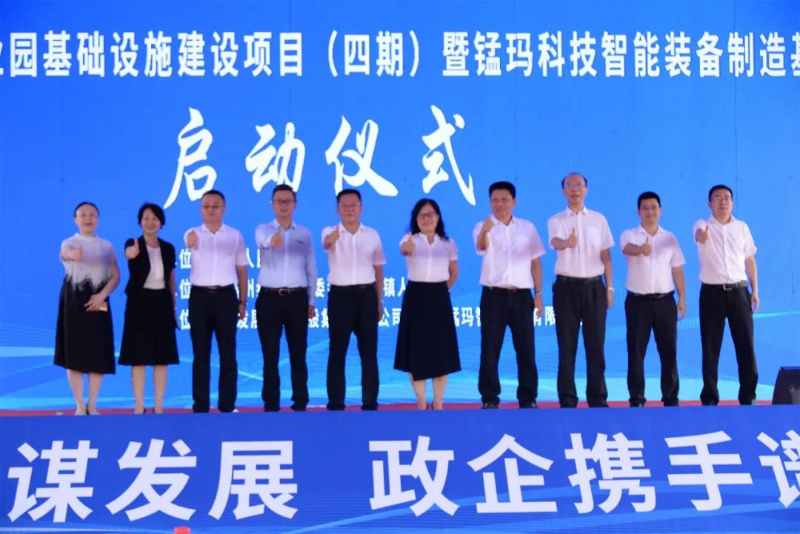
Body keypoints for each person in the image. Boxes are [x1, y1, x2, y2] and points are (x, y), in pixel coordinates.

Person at [473, 181, 545, 409]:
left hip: (521, 296)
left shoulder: (527, 227)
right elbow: (481, 247)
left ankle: (528, 397)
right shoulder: (482, 226)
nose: (500, 204)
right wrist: (486, 230)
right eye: (495, 200)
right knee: (490, 349)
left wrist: (538, 293)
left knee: (526, 348)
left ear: (514, 202)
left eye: (504, 199)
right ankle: (489, 397)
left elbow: (535, 262)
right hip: (493, 296)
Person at [548, 172, 614, 408]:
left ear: (586, 189)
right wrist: (568, 243)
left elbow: (606, 255)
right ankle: (567, 398)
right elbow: (555, 242)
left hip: (594, 287)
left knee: (595, 345)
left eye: (579, 185)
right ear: (563, 191)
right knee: (567, 345)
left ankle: (597, 397)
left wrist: (610, 287)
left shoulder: (598, 219)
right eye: (569, 185)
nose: (574, 189)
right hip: (566, 288)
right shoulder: (556, 220)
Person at [694, 184, 759, 405]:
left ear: (732, 202)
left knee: (746, 345)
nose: (723, 201)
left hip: (739, 292)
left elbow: (749, 259)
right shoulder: (702, 224)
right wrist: (703, 235)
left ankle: (748, 396)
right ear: (709, 204)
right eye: (717, 198)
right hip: (711, 294)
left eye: (727, 198)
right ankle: (710, 397)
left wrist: (755, 289)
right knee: (710, 346)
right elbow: (700, 236)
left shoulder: (742, 227)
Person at [322, 189, 385, 410]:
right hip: (340, 297)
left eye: (353, 205)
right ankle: (336, 402)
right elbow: (326, 244)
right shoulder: (330, 231)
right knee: (337, 351)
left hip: (366, 296)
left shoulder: (372, 234)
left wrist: (379, 300)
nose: (349, 209)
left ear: (361, 208)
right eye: (344, 205)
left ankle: (370, 402)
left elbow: (378, 269)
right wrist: (331, 240)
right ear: (337, 209)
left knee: (369, 352)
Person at [184, 190, 247, 413]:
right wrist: (190, 242)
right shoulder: (192, 233)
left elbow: (242, 270)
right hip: (199, 298)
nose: (210, 210)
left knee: (228, 353)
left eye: (215, 205)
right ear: (201, 209)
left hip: (226, 297)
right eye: (206, 206)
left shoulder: (234, 235)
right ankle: (200, 405)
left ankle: (227, 404)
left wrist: (242, 301)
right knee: (201, 354)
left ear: (224, 209)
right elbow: (189, 242)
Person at [621, 192, 686, 407]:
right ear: (638, 212)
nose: (650, 211)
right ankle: (637, 398)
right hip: (637, 302)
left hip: (665, 301)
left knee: (669, 352)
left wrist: (682, 298)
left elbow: (677, 270)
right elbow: (627, 249)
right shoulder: (629, 234)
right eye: (645, 208)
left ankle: (670, 397)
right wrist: (642, 249)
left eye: (654, 207)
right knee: (636, 352)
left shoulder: (670, 238)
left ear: (660, 211)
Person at [255, 184, 317, 412]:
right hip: (269, 299)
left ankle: (300, 399)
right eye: (279, 201)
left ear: (295, 205)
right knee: (270, 353)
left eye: (287, 201)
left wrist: (311, 300)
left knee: (298, 352)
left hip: (296, 298)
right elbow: (263, 241)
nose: (283, 205)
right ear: (272, 204)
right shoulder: (262, 229)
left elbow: (311, 268)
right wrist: (273, 240)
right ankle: (271, 401)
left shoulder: (304, 234)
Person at [394, 199, 461, 410]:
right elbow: (404, 249)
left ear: (438, 217)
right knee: (416, 350)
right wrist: (407, 247)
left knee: (441, 351)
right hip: (416, 297)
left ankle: (438, 401)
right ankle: (421, 401)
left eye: (430, 214)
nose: (426, 218)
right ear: (416, 219)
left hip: (439, 297)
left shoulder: (448, 243)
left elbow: (454, 273)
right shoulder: (409, 239)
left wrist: (439, 292)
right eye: (421, 215)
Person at [54, 202, 120, 415]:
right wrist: (74, 255)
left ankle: (93, 403)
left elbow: (115, 276)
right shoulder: (69, 243)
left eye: (92, 215)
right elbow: (66, 254)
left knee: (97, 353)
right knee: (73, 354)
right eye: (83, 215)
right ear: (76, 219)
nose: (88, 218)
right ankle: (80, 404)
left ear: (98, 219)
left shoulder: (106, 246)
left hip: (98, 301)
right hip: (73, 301)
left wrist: (102, 295)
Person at [119, 203, 180, 414]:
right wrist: (132, 252)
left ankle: (159, 405)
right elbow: (128, 253)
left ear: (161, 222)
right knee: (139, 357)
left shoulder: (168, 248)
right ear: (140, 222)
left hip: (162, 302)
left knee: (162, 357)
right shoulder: (133, 243)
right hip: (139, 303)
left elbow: (171, 280)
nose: (150, 222)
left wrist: (173, 309)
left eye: (155, 218)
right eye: (146, 218)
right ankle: (139, 404)